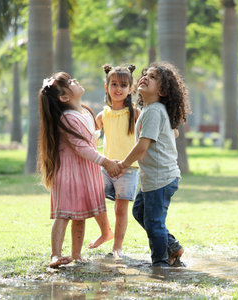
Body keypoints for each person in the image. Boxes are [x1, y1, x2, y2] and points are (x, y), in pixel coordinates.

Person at [38, 72, 120, 268]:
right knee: (63, 215)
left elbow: (90, 139)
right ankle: (55, 255)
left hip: (85, 172)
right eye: (70, 82)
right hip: (68, 174)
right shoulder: (66, 118)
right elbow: (81, 147)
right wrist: (106, 162)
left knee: (80, 216)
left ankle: (76, 255)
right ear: (64, 97)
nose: (75, 80)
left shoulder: (85, 112)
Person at [119, 62, 190, 267]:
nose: (145, 77)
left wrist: (123, 164)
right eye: (145, 74)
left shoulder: (154, 111)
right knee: (140, 212)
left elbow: (142, 146)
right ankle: (172, 246)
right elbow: (172, 133)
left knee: (154, 222)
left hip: (160, 179)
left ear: (162, 90)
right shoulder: (151, 110)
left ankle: (160, 263)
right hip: (155, 178)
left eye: (153, 77)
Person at [96, 64, 140, 260]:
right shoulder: (102, 115)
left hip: (128, 169)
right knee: (95, 201)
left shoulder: (135, 113)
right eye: (114, 84)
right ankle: (106, 231)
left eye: (123, 85)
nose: (118, 89)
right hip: (105, 167)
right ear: (107, 87)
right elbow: (89, 138)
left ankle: (117, 246)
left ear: (131, 89)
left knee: (121, 209)